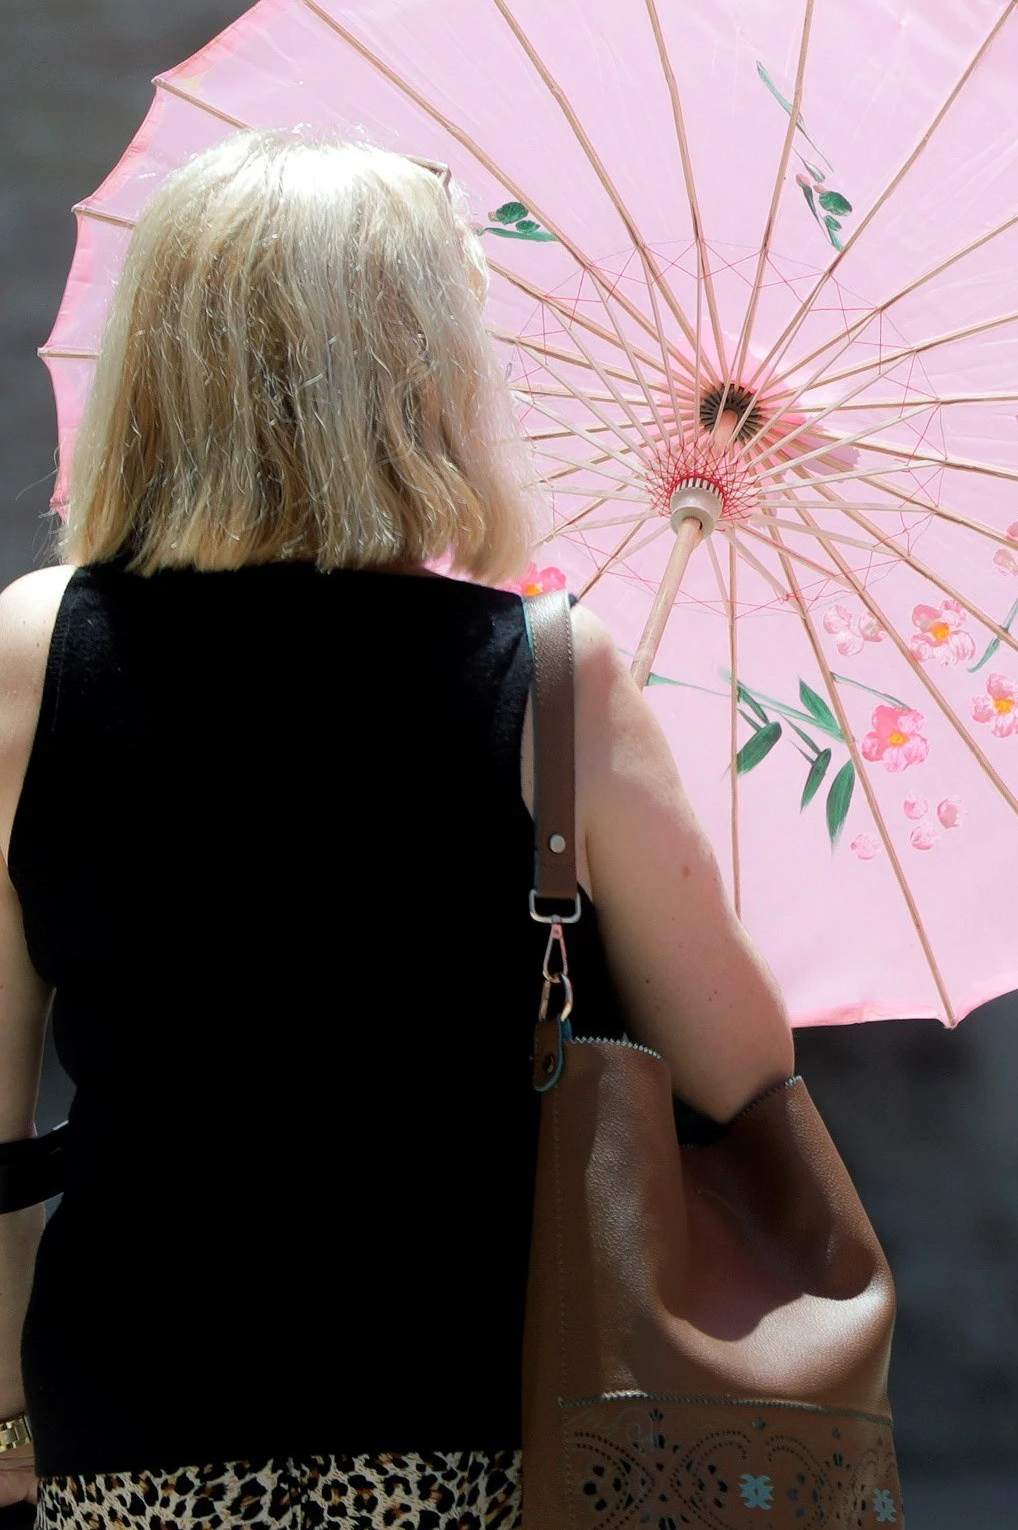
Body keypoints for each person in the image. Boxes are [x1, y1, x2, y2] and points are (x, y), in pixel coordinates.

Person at [0, 130, 798, 1525]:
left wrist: (6, 1410)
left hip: (132, 1418)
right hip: (488, 1415)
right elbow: (738, 1075)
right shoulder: (554, 676)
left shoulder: (26, 656)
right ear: (422, 375)